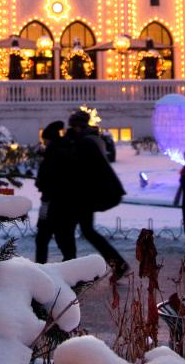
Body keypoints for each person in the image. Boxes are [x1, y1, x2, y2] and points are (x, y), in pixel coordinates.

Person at [58, 110, 129, 277]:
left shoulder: (86, 143)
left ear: (78, 126)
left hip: (84, 196)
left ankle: (71, 268)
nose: (72, 129)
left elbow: (79, 167)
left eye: (73, 126)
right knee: (86, 231)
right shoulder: (90, 140)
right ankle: (118, 264)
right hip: (85, 195)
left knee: (69, 230)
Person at [34, 121, 75, 263]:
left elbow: (45, 179)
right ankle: (71, 266)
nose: (44, 143)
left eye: (45, 140)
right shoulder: (63, 150)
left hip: (53, 202)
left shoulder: (53, 155)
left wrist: (41, 184)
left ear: (50, 139)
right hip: (63, 203)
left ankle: (41, 268)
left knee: (44, 239)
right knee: (63, 239)